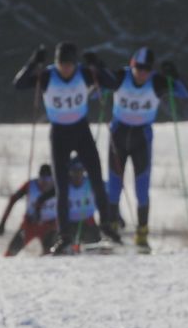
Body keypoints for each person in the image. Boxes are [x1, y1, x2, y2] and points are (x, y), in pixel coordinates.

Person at [13, 42, 123, 244]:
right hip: (59, 134)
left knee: (97, 180)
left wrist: (98, 64)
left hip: (81, 131)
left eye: (69, 65)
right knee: (61, 187)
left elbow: (113, 83)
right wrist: (33, 62)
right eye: (62, 65)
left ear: (75, 63)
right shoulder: (47, 76)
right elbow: (19, 84)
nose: (65, 69)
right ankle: (64, 237)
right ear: (56, 63)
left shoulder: (84, 73)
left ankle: (107, 226)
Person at [104, 47, 188, 251]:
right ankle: (112, 229)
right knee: (114, 186)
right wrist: (98, 72)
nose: (141, 73)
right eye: (138, 68)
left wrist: (174, 76)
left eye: (146, 69)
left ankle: (142, 234)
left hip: (141, 138)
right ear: (132, 65)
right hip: (118, 135)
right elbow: (96, 90)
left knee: (142, 189)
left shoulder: (157, 81)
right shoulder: (120, 76)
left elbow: (183, 93)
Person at [0, 165, 57, 257]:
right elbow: (13, 200)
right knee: (10, 253)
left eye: (48, 179)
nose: (44, 183)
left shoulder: (57, 187)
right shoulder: (30, 185)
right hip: (30, 225)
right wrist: (2, 222)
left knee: (49, 255)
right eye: (42, 179)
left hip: (50, 226)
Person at [50, 160, 102, 253]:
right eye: (74, 171)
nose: (77, 175)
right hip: (69, 224)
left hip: (87, 222)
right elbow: (47, 196)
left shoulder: (90, 182)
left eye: (80, 171)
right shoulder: (63, 185)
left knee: (95, 241)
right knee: (59, 237)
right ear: (70, 172)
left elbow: (105, 198)